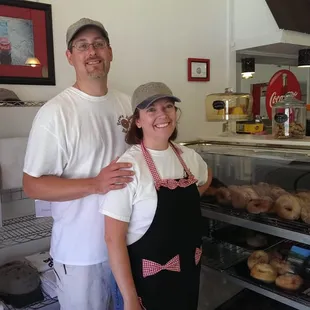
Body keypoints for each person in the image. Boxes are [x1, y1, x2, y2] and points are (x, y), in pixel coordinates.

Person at [23, 17, 133, 310]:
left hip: (128, 244)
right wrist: (96, 184)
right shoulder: (56, 113)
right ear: (70, 57)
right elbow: (32, 185)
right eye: (82, 46)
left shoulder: (127, 103)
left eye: (98, 44)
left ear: (110, 52)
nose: (92, 52)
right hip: (82, 255)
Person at [99, 82, 212, 310]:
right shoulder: (128, 167)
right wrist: (130, 300)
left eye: (168, 106)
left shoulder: (189, 157)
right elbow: (113, 239)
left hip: (188, 275)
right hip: (147, 284)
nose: (162, 114)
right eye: (151, 109)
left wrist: (189, 198)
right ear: (138, 121)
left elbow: (207, 177)